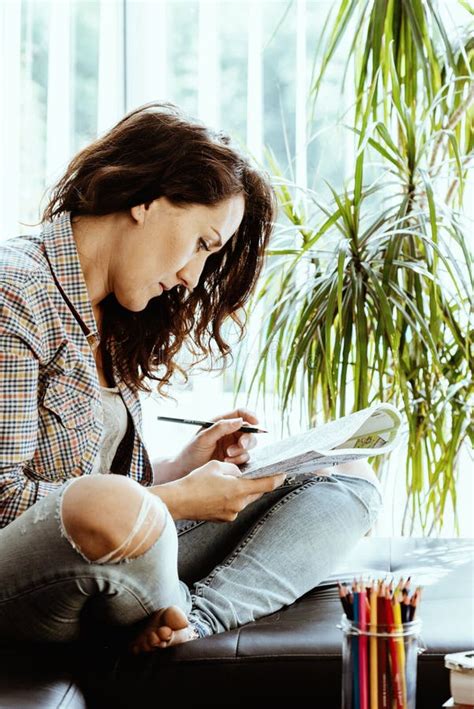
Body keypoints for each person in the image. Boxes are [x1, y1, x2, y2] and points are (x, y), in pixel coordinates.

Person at [0, 102, 382, 654]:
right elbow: (7, 501)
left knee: (344, 472)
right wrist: (176, 499)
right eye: (202, 243)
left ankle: (193, 621)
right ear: (146, 200)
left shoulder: (112, 311)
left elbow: (104, 477)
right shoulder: (16, 292)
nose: (189, 278)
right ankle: (170, 605)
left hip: (126, 554)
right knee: (104, 506)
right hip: (35, 582)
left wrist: (186, 467)